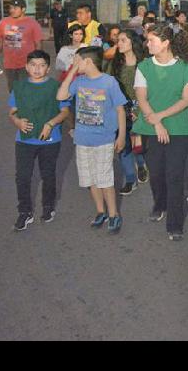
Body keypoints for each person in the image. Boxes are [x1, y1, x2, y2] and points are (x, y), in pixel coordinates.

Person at [133, 24, 188, 241]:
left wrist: (161, 117)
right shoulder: (143, 67)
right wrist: (156, 123)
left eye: (151, 40)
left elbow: (186, 100)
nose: (147, 44)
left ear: (165, 43)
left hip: (178, 129)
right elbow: (141, 98)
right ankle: (159, 203)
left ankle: (175, 223)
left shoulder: (187, 69)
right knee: (156, 172)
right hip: (150, 127)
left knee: (174, 175)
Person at [57, 46, 127, 235]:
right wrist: (72, 71)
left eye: (77, 60)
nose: (74, 63)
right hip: (82, 139)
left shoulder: (109, 82)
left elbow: (121, 110)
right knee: (90, 179)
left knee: (105, 179)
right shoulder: (78, 81)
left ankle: (114, 214)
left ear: (87, 61)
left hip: (103, 139)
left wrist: (121, 136)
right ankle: (100, 211)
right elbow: (61, 96)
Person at [9, 50, 71, 230]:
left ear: (48, 68)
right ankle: (24, 212)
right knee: (22, 177)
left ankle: (48, 206)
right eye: (33, 65)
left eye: (42, 65)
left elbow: (65, 111)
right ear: (27, 67)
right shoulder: (19, 86)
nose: (37, 69)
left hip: (50, 141)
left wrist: (50, 124)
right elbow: (12, 112)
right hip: (24, 140)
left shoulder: (56, 86)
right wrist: (17, 121)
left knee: (48, 174)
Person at [109, 30, 149, 195]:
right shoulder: (115, 64)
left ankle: (140, 164)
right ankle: (130, 179)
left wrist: (139, 109)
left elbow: (149, 89)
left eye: (123, 40)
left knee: (137, 142)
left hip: (140, 107)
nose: (119, 43)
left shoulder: (144, 64)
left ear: (132, 42)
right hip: (120, 109)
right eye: (118, 40)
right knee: (123, 145)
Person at [0, 0, 43, 93]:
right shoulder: (3, 22)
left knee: (25, 90)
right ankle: (16, 108)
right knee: (13, 91)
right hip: (9, 64)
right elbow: (0, 42)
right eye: (10, 8)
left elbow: (38, 43)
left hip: (26, 64)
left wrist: (38, 61)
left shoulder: (32, 23)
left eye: (15, 8)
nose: (11, 10)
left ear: (23, 9)